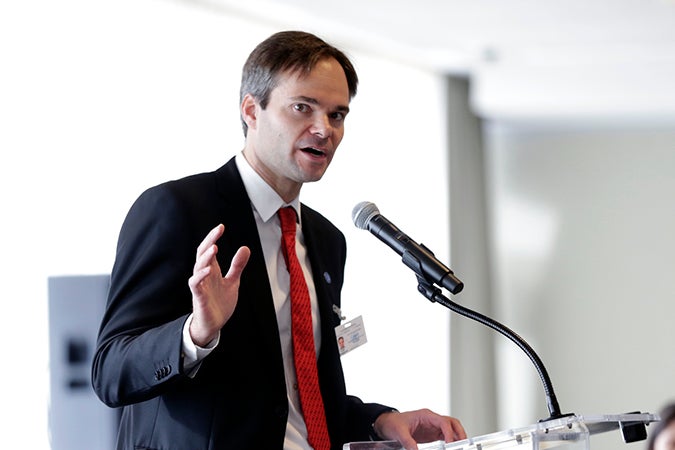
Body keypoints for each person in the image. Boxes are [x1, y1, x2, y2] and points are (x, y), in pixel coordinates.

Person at [91, 30, 466, 450]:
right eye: (302, 107)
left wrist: (379, 420)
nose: (324, 129)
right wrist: (195, 333)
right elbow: (110, 372)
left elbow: (294, 394)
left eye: (337, 115)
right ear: (251, 110)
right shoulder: (178, 210)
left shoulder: (326, 241)